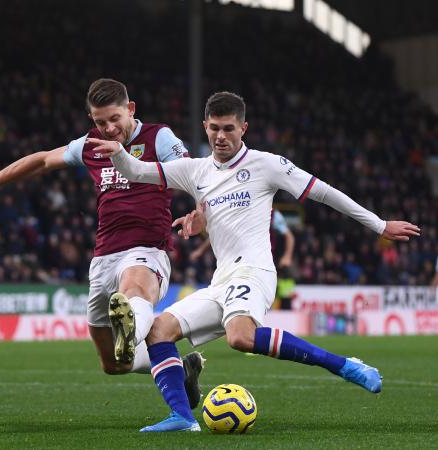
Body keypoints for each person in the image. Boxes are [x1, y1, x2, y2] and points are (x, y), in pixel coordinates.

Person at [90, 91, 420, 432]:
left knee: (240, 337)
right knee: (159, 332)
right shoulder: (194, 170)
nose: (221, 136)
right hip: (222, 280)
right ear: (204, 127)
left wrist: (380, 224)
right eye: (214, 128)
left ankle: (345, 365)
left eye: (229, 128)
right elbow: (140, 171)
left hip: (256, 271)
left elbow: (324, 192)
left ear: (243, 128)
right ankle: (182, 418)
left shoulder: (267, 165)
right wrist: (118, 154)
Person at [0, 78, 203, 408]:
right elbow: (44, 160)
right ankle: (179, 367)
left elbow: (193, 172)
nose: (108, 128)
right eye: (100, 121)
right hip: (103, 256)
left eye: (114, 119)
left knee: (133, 289)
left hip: (147, 249)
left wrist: (199, 209)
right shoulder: (90, 144)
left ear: (130, 109)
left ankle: (133, 327)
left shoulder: (157, 137)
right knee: (113, 364)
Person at [190, 209, 296, 308]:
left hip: (267, 259)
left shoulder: (272, 214)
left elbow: (289, 236)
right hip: (240, 258)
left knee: (277, 290)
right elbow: (221, 233)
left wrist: (287, 256)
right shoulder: (242, 211)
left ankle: (282, 313)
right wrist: (200, 250)